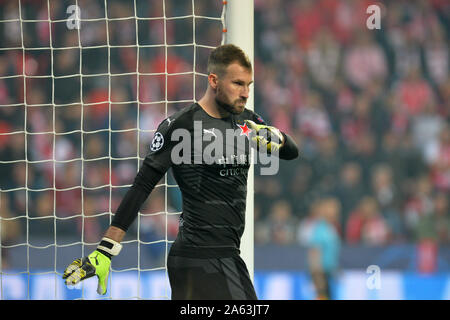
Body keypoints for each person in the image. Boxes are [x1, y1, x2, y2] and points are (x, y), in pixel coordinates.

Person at [63, 44, 299, 300]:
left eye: (249, 85)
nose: (245, 93)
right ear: (214, 80)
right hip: (199, 256)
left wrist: (279, 139)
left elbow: (291, 152)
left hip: (222, 254)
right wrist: (106, 249)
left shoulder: (246, 121)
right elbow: (142, 186)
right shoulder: (180, 126)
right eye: (238, 84)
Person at [307, 197, 341, 300]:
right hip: (321, 274)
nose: (336, 210)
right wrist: (317, 276)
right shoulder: (320, 229)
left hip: (329, 274)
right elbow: (314, 252)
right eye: (332, 207)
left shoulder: (331, 228)